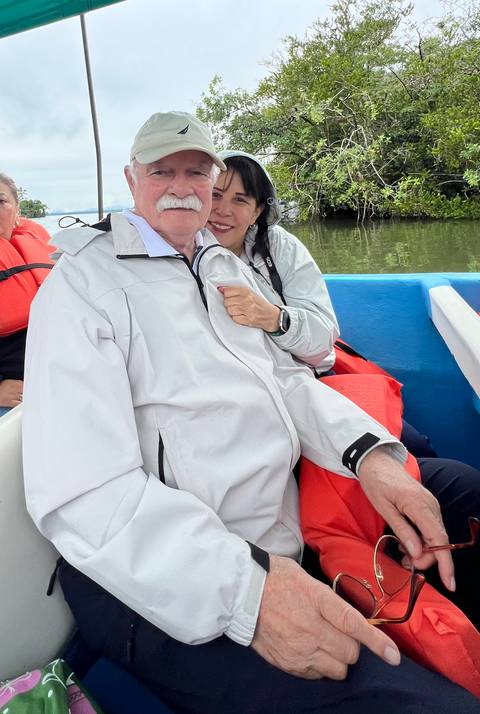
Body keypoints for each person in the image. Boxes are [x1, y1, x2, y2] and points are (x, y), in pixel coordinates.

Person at [22, 112, 479, 714]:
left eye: (197, 170)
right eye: (163, 171)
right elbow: (83, 494)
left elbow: (287, 378)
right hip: (162, 573)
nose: (181, 184)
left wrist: (371, 455)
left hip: (280, 513)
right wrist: (250, 593)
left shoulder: (218, 264)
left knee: (461, 492)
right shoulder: (81, 287)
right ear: (132, 181)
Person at [210, 150, 480, 629]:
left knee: (416, 447)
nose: (222, 210)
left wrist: (274, 317)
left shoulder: (280, 250)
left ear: (258, 211)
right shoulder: (176, 266)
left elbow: (323, 348)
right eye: (213, 194)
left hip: (314, 384)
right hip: (261, 419)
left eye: (239, 199)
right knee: (431, 483)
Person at [0, 172, 53, 417]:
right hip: (12, 394)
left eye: (1, 201)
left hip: (55, 375)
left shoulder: (40, 247)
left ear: (17, 210)